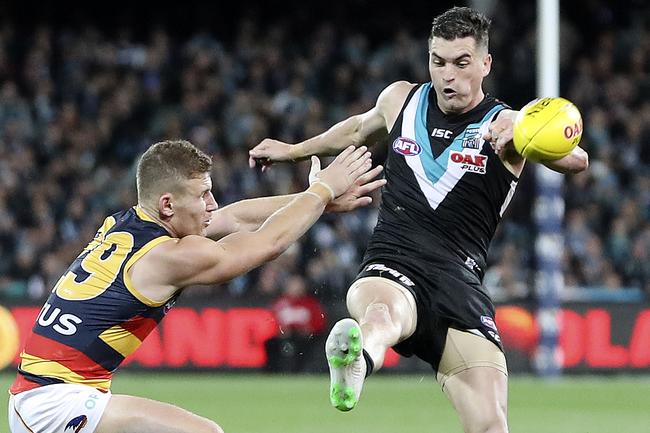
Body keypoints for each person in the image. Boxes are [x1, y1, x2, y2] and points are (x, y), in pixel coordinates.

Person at [248, 6, 589, 433]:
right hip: (393, 262)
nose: (448, 75)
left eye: (462, 63)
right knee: (383, 316)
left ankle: (363, 351)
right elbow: (357, 129)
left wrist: (527, 137)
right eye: (438, 61)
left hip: (459, 283)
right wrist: (292, 150)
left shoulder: (506, 124)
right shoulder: (401, 99)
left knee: (490, 424)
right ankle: (358, 358)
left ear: (485, 64)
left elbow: (577, 159)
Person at [7, 139, 386, 433]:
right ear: (169, 204)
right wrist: (321, 191)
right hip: (54, 403)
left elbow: (235, 216)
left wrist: (320, 201)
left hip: (48, 395)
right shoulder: (167, 257)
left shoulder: (130, 222)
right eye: (203, 194)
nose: (212, 203)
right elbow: (265, 244)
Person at [265, 274, 327, 373]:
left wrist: (308, 329)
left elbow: (319, 322)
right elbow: (271, 320)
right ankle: (272, 371)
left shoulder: (310, 303)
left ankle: (302, 370)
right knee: (270, 344)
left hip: (304, 337)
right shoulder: (280, 303)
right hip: (284, 336)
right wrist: (280, 330)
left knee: (302, 344)